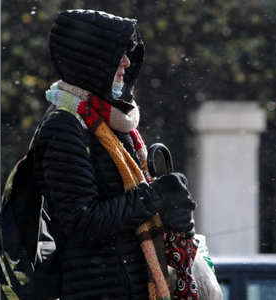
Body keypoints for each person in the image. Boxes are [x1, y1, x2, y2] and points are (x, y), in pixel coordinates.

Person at [33, 9, 197, 300]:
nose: (126, 61)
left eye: (127, 53)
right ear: (91, 60)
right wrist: (157, 195)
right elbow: (83, 221)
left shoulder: (113, 122)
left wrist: (173, 207)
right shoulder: (64, 126)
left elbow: (128, 211)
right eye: (117, 54)